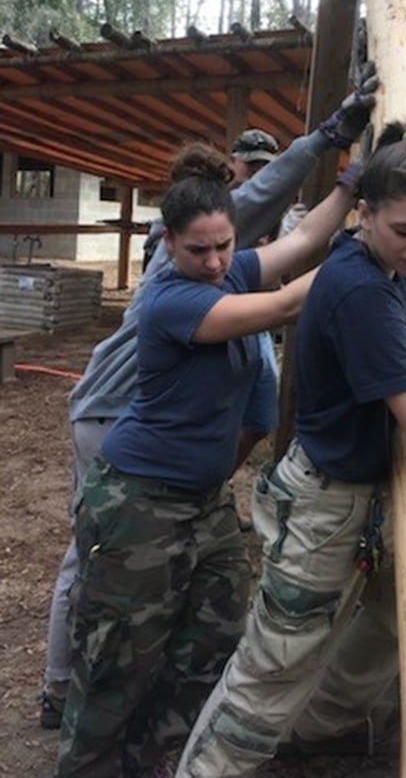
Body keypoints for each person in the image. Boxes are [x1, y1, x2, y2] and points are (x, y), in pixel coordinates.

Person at [175, 121, 406, 777]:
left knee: (390, 621)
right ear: (366, 215)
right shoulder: (362, 288)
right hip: (324, 510)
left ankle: (318, 730)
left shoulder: (381, 265)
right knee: (271, 672)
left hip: (356, 496)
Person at [38, 70, 378, 732]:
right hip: (111, 418)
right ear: (173, 239)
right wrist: (337, 153)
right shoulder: (180, 278)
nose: (219, 255)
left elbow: (296, 258)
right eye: (206, 245)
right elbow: (281, 267)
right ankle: (62, 692)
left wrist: (348, 182)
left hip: (167, 452)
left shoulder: (231, 267)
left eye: (228, 242)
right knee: (102, 567)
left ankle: (140, 707)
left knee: (159, 587)